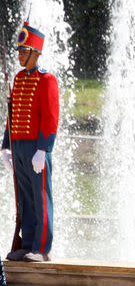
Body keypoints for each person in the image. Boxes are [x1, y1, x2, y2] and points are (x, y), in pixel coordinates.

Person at [1, 20, 59, 262]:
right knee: (24, 198)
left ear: (36, 53)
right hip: (19, 146)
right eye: (19, 52)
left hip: (36, 147)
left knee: (40, 197)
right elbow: (12, 113)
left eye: (24, 52)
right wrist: (5, 145)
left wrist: (43, 149)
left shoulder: (46, 80)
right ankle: (27, 244)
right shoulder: (18, 78)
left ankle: (42, 248)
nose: (20, 56)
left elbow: (51, 116)